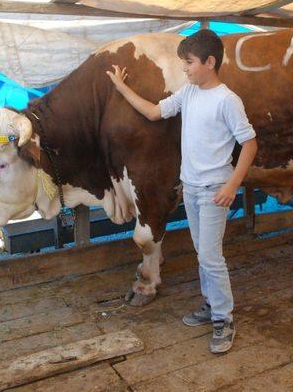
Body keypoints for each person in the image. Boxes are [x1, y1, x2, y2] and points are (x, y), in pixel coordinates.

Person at [106, 29, 258, 353]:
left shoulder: (228, 100)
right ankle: (210, 306)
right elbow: (152, 112)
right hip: (190, 188)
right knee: (203, 254)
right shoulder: (189, 93)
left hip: (216, 190)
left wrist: (233, 185)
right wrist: (120, 87)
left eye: (189, 63)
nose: (185, 69)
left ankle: (223, 319)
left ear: (209, 62)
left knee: (211, 257)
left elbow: (249, 143)